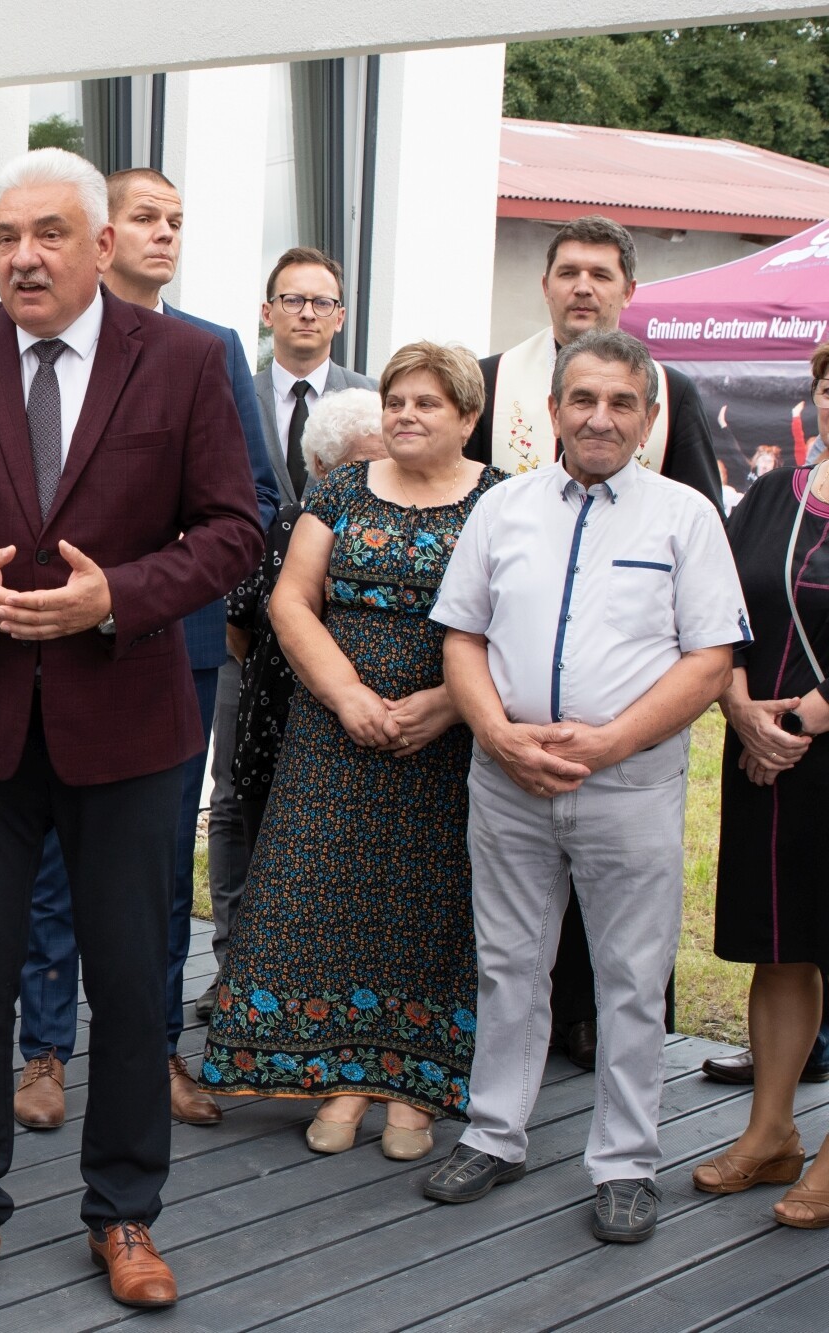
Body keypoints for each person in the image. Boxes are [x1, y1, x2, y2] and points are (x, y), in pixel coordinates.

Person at [0, 147, 262, 1310]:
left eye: (46, 234)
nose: (22, 257)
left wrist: (116, 597)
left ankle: (123, 1215)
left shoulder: (184, 361)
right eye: (4, 236)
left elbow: (233, 528)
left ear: (100, 245)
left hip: (128, 722)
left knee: (130, 984)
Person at [424, 329, 747, 1244]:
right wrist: (498, 735)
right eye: (583, 399)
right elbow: (462, 637)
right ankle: (494, 1133)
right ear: (554, 410)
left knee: (632, 978)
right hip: (508, 778)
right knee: (507, 964)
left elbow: (710, 658)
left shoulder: (686, 517)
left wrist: (607, 743)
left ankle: (626, 1162)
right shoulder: (503, 508)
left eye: (620, 402)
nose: (600, 417)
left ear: (648, 418)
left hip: (630, 784)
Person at [8, 166, 278, 1136]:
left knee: (160, 862)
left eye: (176, 221)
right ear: (102, 236)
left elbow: (250, 500)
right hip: (42, 642)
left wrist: (134, 590)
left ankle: (155, 1049)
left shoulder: (207, 350)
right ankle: (43, 1050)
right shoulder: (29, 347)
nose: (165, 234)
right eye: (145, 218)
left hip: (174, 646)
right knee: (48, 853)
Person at [202, 344, 499, 1160]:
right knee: (324, 895)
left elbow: (520, 617)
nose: (405, 414)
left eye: (427, 403)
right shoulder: (339, 489)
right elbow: (291, 602)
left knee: (427, 904)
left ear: (468, 417)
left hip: (446, 740)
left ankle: (413, 1088)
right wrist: (347, 696)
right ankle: (340, 1077)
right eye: (396, 400)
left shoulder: (503, 500)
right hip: (334, 734)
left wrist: (448, 704)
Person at [468, 214, 725, 1071]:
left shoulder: (670, 394)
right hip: (505, 709)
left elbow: (702, 552)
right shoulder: (494, 379)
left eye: (602, 273)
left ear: (628, 290)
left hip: (628, 727)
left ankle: (588, 1028)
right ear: (545, 284)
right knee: (510, 922)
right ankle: (504, 1068)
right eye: (569, 270)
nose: (583, 286)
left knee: (625, 934)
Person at [199, 249, 379, 1017]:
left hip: (341, 639)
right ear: (266, 311)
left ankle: (313, 968)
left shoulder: (375, 401)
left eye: (322, 301)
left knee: (325, 800)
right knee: (235, 793)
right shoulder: (224, 390)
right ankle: (233, 964)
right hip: (237, 631)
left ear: (340, 316)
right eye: (292, 299)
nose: (307, 313)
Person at [694, 450, 829, 1228]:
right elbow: (721, 605)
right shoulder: (777, 491)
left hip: (799, 740)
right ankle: (771, 1131)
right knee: (782, 944)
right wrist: (741, 708)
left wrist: (799, 720)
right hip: (763, 754)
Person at [225, 388, 387, 864]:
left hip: (373, 728)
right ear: (320, 466)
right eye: (359, 465)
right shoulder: (282, 526)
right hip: (278, 726)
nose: (374, 478)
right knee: (272, 866)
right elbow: (238, 625)